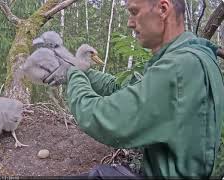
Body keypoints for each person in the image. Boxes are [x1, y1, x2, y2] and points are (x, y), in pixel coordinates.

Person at [42, 0, 224, 179]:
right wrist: (82, 70)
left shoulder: (179, 67)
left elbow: (102, 117)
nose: (130, 22)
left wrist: (74, 73)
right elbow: (121, 88)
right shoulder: (197, 57)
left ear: (163, 8)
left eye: (135, 12)